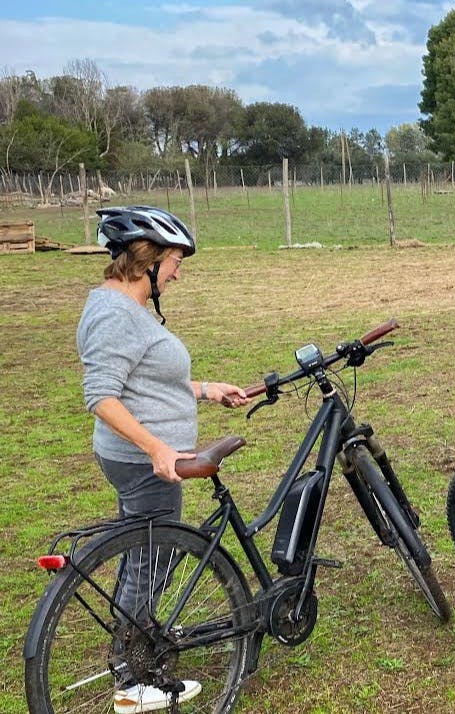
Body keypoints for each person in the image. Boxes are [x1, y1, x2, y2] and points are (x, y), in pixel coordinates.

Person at [76, 205, 250, 713]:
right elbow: (102, 395)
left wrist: (203, 388)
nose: (178, 271)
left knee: (144, 557)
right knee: (148, 564)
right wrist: (157, 448)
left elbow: (144, 379)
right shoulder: (114, 312)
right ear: (147, 259)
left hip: (139, 459)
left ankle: (136, 641)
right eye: (175, 259)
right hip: (143, 463)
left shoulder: (122, 308)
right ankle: (133, 678)